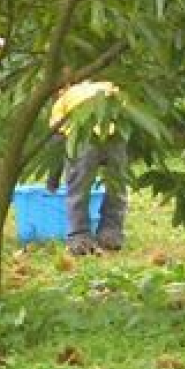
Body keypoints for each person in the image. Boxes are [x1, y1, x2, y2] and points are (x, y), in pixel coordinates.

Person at [45, 81, 129, 255]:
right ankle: (111, 235)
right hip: (116, 137)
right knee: (117, 188)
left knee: (78, 190)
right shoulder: (109, 86)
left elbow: (56, 142)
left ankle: (79, 238)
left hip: (83, 139)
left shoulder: (63, 100)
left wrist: (53, 180)